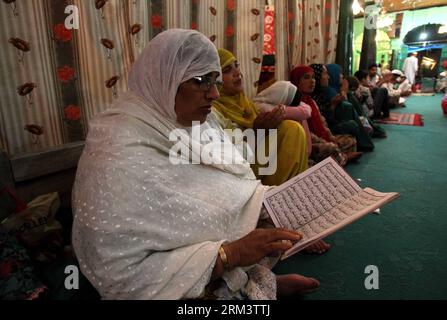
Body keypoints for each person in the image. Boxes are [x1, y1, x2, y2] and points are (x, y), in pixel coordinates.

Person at [72, 29, 320, 300]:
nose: (214, 94)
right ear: (164, 80)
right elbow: (120, 274)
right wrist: (231, 253)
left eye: (215, 81)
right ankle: (248, 288)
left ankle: (252, 283)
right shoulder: (117, 152)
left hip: (214, 264)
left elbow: (235, 182)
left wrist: (280, 205)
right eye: (202, 81)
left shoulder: (198, 124)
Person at [212, 49, 309, 187]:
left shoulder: (245, 103)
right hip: (239, 173)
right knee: (291, 131)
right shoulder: (212, 110)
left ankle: (290, 192)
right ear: (215, 80)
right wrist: (256, 132)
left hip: (257, 160)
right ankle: (279, 197)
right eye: (227, 70)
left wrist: (270, 122)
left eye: (237, 65)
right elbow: (228, 155)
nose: (237, 73)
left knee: (290, 128)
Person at [290, 65, 362, 166]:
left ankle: (339, 157)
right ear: (297, 81)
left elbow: (323, 123)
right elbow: (308, 134)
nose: (312, 81)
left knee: (351, 139)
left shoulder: (311, 100)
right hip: (308, 143)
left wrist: (331, 138)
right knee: (330, 148)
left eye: (313, 77)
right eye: (306, 78)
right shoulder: (294, 104)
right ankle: (343, 157)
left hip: (324, 135)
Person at [312, 64, 374, 152]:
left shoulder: (323, 93)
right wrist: (334, 103)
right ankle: (366, 139)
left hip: (331, 125)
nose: (328, 77)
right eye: (325, 74)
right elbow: (325, 121)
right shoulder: (323, 94)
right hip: (326, 129)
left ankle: (367, 134)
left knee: (350, 111)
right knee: (348, 111)